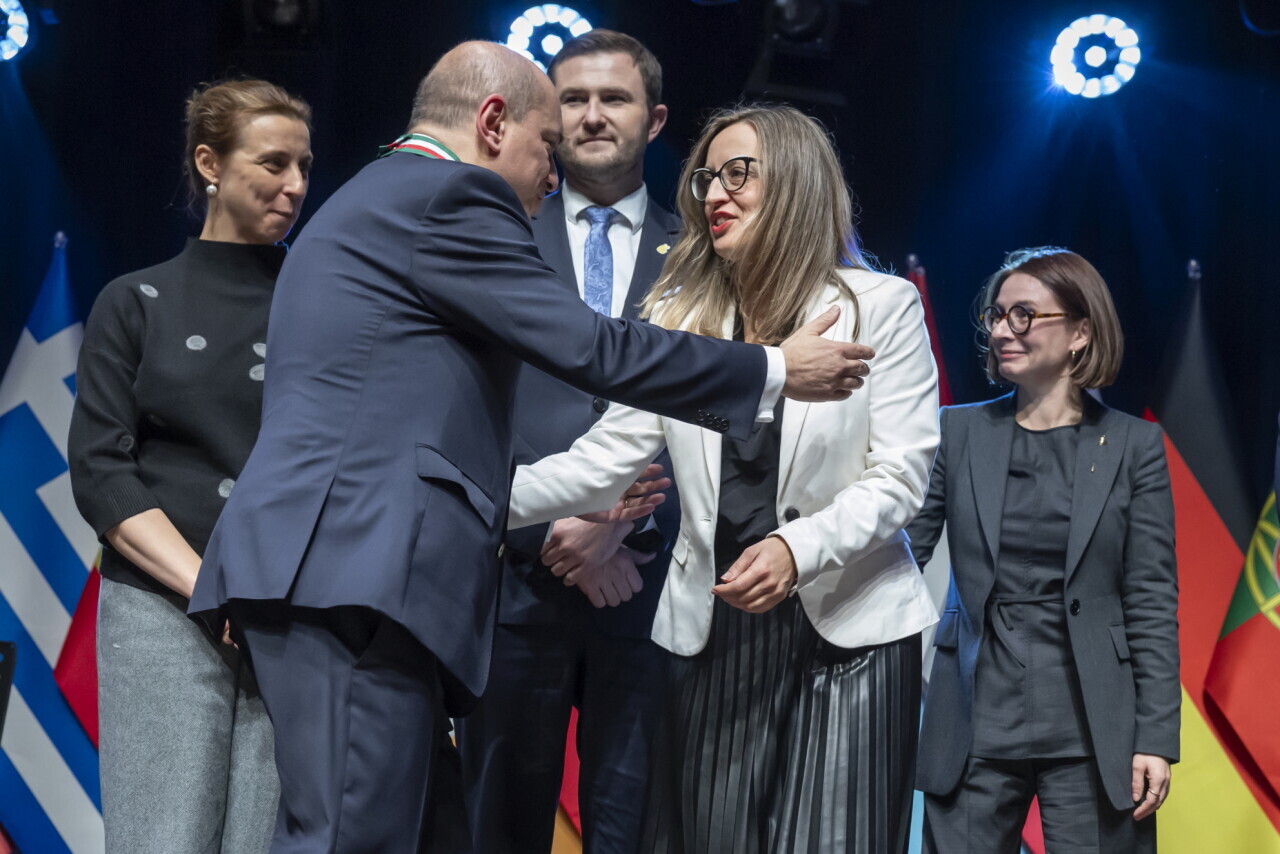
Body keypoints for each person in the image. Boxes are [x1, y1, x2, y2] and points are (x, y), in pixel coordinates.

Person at [187, 44, 871, 854]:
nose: (554, 174)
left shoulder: (379, 196)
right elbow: (589, 346)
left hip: (345, 566)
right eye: (546, 145)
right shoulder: (448, 194)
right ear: (491, 122)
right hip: (356, 570)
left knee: (421, 834)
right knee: (347, 838)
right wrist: (774, 369)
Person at [509, 103, 941, 854]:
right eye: (706, 177)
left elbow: (901, 476)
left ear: (798, 182)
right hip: (716, 628)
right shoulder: (680, 313)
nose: (714, 193)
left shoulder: (881, 305)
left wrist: (797, 549)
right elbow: (603, 460)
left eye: (738, 173)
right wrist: (473, 495)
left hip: (851, 631)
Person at [68, 78, 312, 853]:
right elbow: (101, 471)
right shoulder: (134, 300)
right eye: (273, 163)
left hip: (289, 612)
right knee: (163, 839)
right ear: (210, 163)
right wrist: (208, 585)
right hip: (160, 608)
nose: (295, 185)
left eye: (304, 166)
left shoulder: (326, 306)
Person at [454, 30, 682, 854]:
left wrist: (619, 524)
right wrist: (552, 527)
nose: (591, 116)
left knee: (635, 831)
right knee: (495, 827)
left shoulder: (703, 252)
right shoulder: (493, 237)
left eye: (613, 98)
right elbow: (461, 400)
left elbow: (717, 411)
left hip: (648, 585)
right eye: (573, 100)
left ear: (654, 119)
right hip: (515, 578)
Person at [906, 247, 1180, 852]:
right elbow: (903, 558)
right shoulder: (956, 430)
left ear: (1080, 332)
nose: (1003, 330)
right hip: (973, 718)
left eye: (1023, 315)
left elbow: (1152, 600)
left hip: (1092, 727)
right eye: (996, 316)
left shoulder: (1134, 446)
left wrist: (1156, 736)